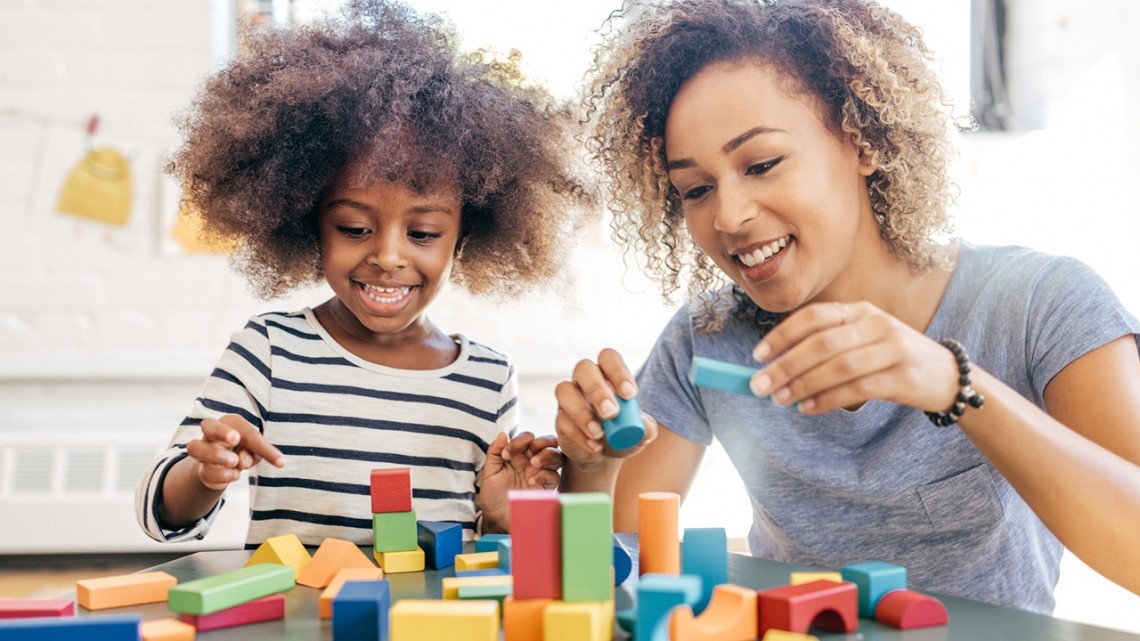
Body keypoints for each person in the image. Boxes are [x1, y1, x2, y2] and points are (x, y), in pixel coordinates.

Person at [556, 0, 1140, 613]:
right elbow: (605, 579)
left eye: (761, 164)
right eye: (696, 189)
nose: (727, 216)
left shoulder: (1040, 304)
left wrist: (953, 384)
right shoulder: (707, 339)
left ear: (862, 142)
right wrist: (590, 469)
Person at [136, 0, 590, 548]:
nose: (388, 256)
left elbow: (484, 549)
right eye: (354, 228)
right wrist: (205, 474)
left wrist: (499, 519)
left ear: (465, 238)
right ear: (310, 224)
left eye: (422, 234)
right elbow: (162, 512)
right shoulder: (270, 351)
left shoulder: (488, 381)